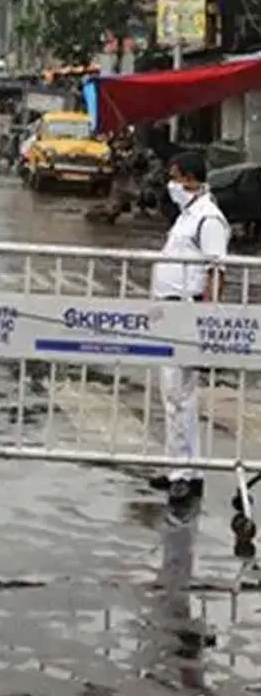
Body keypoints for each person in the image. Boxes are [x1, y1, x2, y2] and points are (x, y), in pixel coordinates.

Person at [149, 151, 229, 507]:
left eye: (175, 176)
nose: (172, 184)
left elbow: (217, 271)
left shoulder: (209, 219)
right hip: (169, 310)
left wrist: (205, 319)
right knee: (173, 396)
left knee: (180, 395)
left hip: (188, 312)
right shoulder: (187, 216)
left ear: (192, 179)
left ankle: (185, 474)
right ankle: (179, 469)